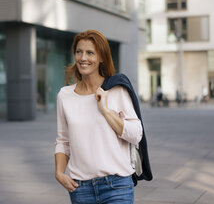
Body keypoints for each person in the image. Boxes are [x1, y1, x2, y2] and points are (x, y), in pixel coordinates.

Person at [55, 30, 149, 204]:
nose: (83, 58)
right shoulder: (65, 95)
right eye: (79, 52)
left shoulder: (116, 90)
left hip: (117, 186)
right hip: (80, 188)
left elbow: (136, 134)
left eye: (90, 53)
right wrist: (59, 173)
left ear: (101, 58)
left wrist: (105, 111)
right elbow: (63, 141)